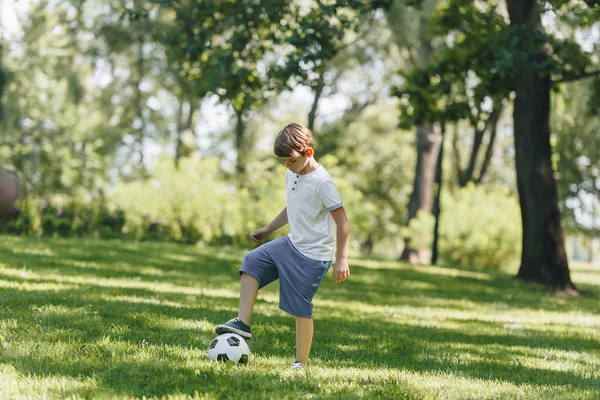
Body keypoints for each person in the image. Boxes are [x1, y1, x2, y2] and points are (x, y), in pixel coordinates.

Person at [214, 122, 350, 369]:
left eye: (291, 160)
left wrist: (341, 259)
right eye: (284, 161)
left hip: (313, 255)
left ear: (308, 152)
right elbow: (293, 208)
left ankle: (301, 362)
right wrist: (268, 229)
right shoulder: (292, 173)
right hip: (292, 243)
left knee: (300, 308)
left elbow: (342, 220)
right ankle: (242, 323)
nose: (288, 165)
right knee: (252, 261)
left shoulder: (323, 183)